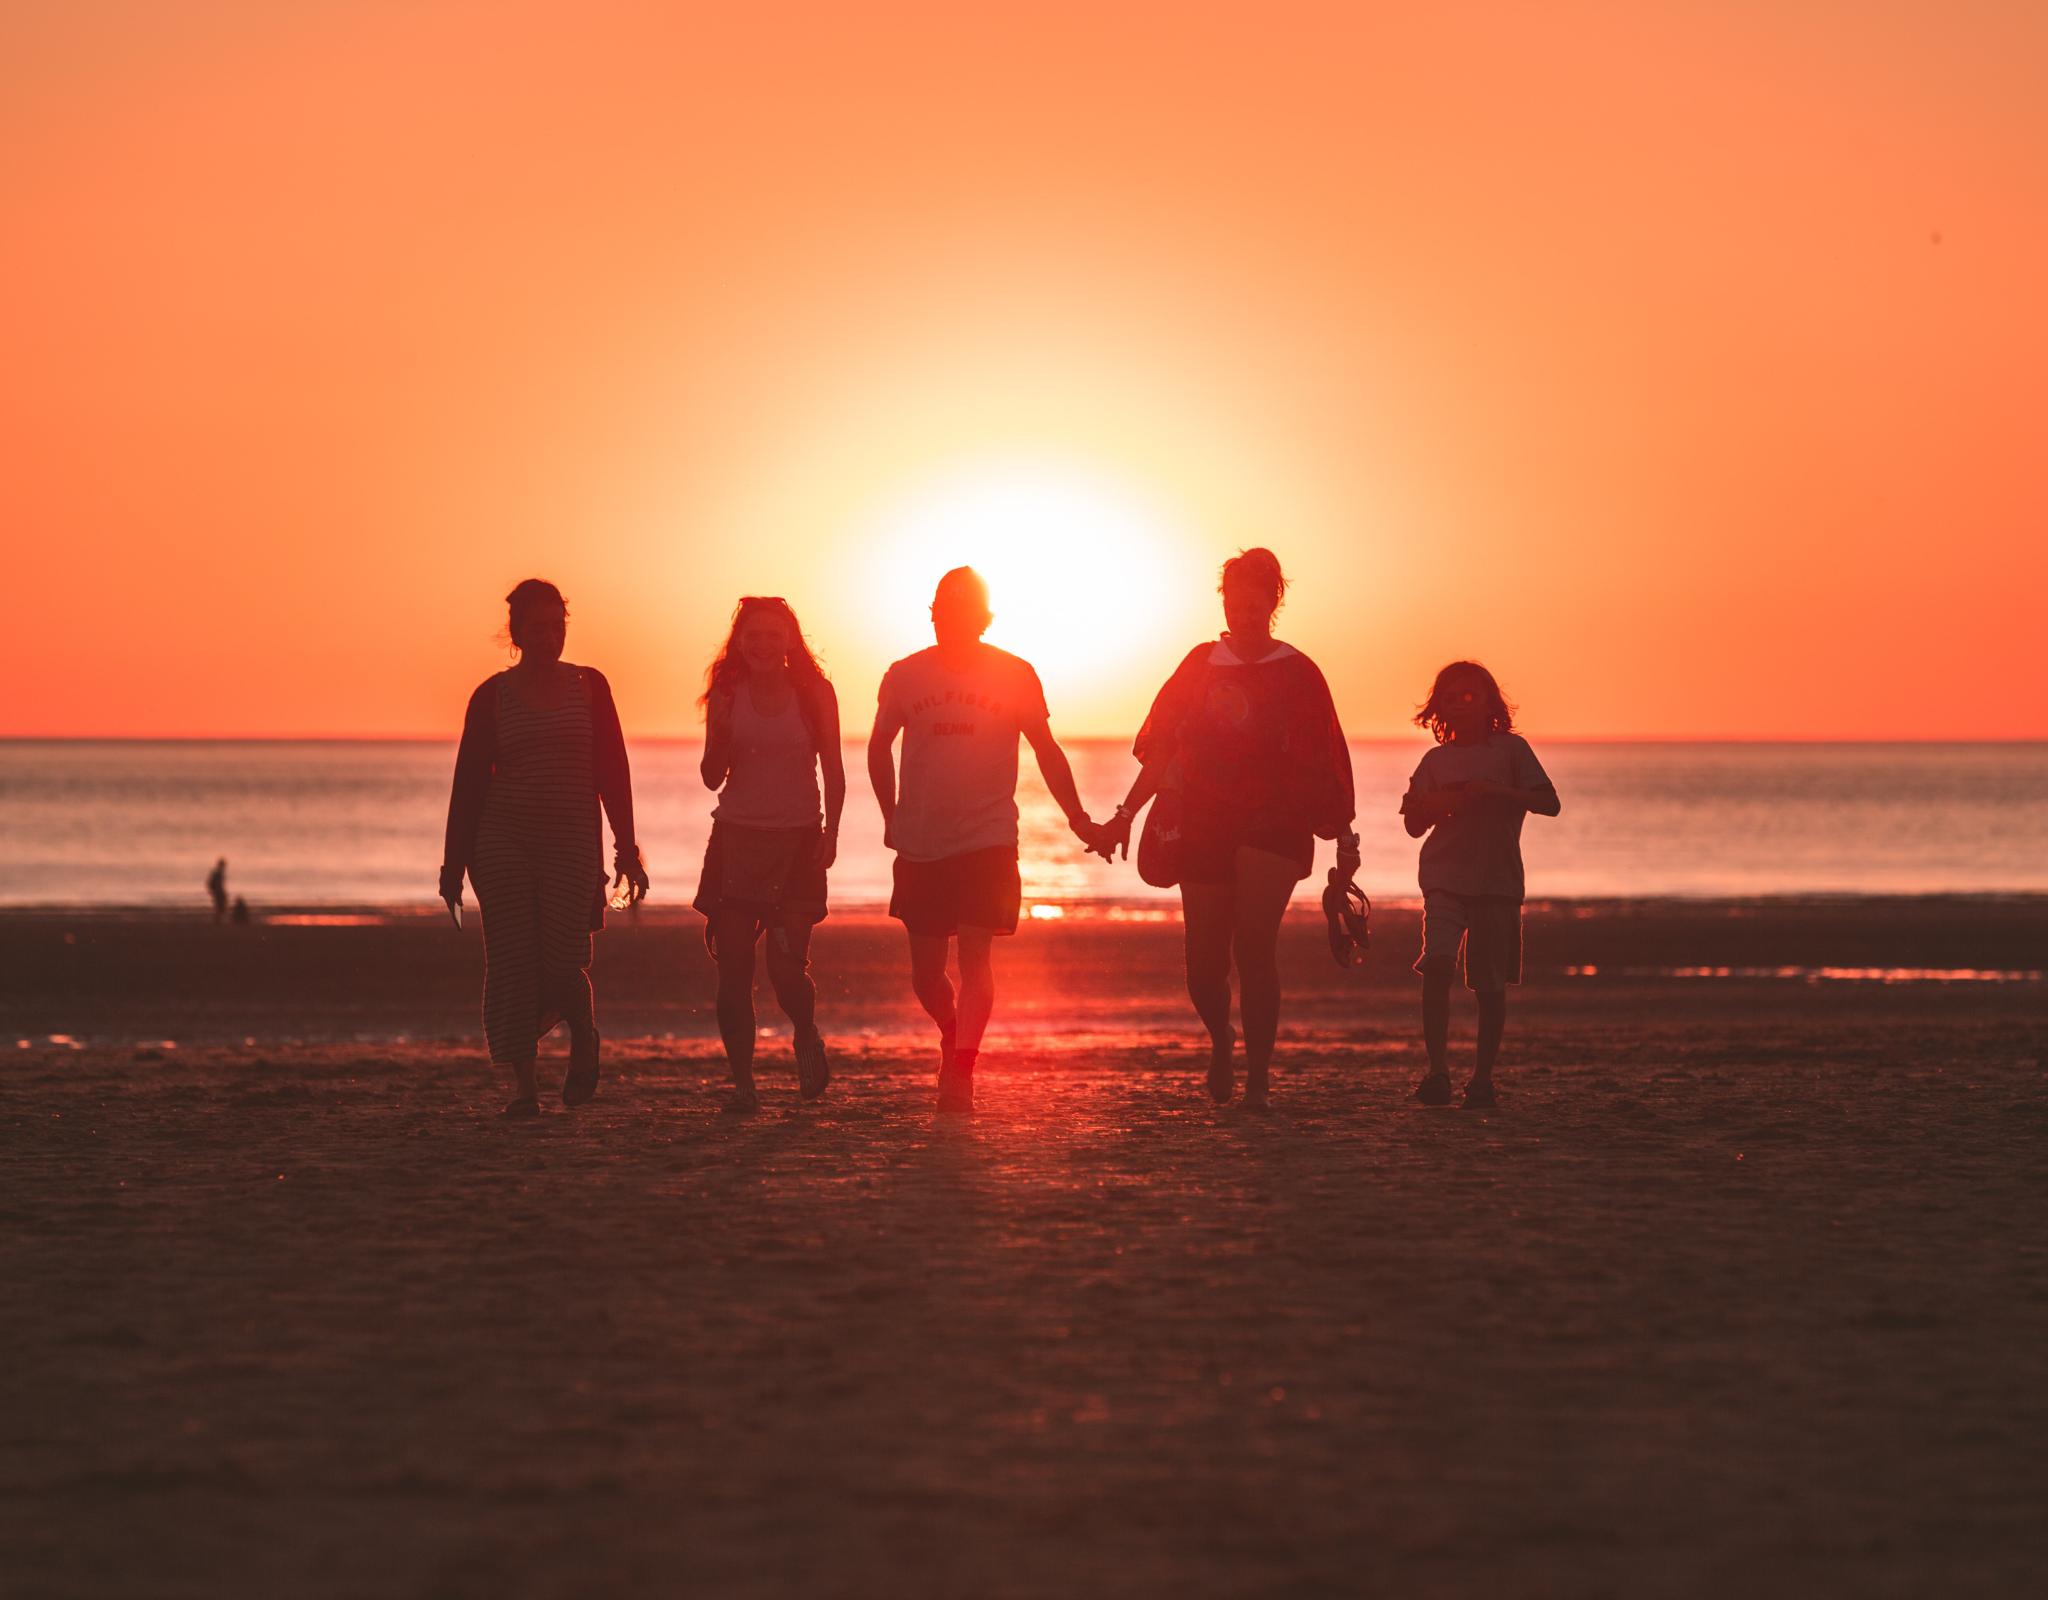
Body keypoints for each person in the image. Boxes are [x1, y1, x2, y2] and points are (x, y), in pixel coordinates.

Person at [1099, 549, 1356, 1109]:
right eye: (1232, 596)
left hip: (1276, 823)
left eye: (1253, 596)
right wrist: (1126, 813)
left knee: (1255, 947)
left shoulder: (1299, 671)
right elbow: (1161, 744)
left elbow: (1326, 757)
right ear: (1223, 599)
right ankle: (1223, 1041)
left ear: (1274, 599)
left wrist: (1343, 835)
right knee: (1204, 963)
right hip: (1204, 819)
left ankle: (1259, 1079)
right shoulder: (1200, 664)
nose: (1242, 607)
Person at [868, 567, 1106, 1113]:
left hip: (988, 837)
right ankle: (953, 1034)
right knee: (926, 976)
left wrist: (1076, 817)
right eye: (941, 611)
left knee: (976, 960)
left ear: (983, 618)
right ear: (932, 614)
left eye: (962, 611)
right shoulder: (905, 675)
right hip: (921, 841)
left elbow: (1046, 749)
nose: (950, 620)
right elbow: (878, 746)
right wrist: (891, 815)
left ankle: (963, 1068)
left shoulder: (1015, 674)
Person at [440, 579, 648, 1118]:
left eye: (559, 626)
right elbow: (468, 785)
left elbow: (613, 772)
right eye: (539, 627)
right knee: (511, 962)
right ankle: (524, 1088)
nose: (551, 636)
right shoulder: (492, 697)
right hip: (502, 842)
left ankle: (584, 1032)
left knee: (562, 960)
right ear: (516, 633)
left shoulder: (590, 687)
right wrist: (452, 866)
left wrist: (628, 850)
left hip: (572, 844)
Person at [694, 596, 845, 1113]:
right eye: (752, 636)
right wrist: (719, 734)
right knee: (733, 970)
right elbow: (712, 776)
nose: (762, 645)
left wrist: (833, 832)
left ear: (788, 643)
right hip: (737, 840)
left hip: (799, 840)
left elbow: (834, 767)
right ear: (739, 642)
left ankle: (805, 1032)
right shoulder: (727, 691)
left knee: (784, 970)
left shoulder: (814, 693)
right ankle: (744, 1087)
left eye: (773, 636)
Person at [1399, 661, 1560, 1109]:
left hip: (1497, 881)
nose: (1461, 705)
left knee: (1489, 986)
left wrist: (1497, 793)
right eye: (1451, 697)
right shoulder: (1435, 760)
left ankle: (1482, 1079)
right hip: (1443, 877)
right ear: (1439, 708)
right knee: (1436, 967)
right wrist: (1442, 804)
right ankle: (1437, 1072)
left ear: (1490, 702)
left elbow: (1549, 803)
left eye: (1471, 696)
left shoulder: (1511, 751)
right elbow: (1413, 823)